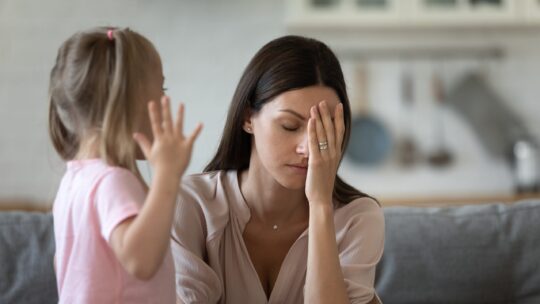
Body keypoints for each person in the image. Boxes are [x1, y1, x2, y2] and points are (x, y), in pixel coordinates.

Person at [171, 35, 384, 304]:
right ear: (248, 117)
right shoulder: (189, 204)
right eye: (290, 126)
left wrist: (320, 205)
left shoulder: (358, 217)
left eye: (323, 128)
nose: (308, 148)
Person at [48, 26, 202, 303]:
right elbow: (141, 261)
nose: (166, 99)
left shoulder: (73, 181)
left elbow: (64, 264)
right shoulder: (113, 181)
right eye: (161, 87)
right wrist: (167, 176)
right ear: (128, 102)